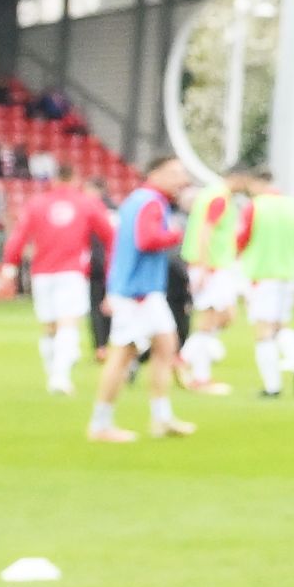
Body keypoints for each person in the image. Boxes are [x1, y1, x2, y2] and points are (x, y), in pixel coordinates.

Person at [89, 156, 199, 444]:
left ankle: (161, 417)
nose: (181, 179)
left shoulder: (139, 200)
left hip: (141, 290)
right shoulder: (150, 202)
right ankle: (100, 423)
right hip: (137, 293)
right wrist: (176, 234)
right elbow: (146, 240)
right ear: (156, 173)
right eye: (175, 172)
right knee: (122, 355)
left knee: (166, 346)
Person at [9, 160, 107, 398]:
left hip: (41, 273)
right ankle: (60, 377)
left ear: (53, 179)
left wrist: (10, 262)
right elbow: (109, 235)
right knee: (68, 323)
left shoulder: (37, 204)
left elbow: (19, 236)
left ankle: (53, 370)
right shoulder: (86, 203)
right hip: (72, 271)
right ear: (75, 179)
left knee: (50, 326)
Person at [241, 170, 294, 399]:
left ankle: (272, 386)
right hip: (288, 273)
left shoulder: (256, 206)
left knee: (263, 330)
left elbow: (242, 237)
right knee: (281, 325)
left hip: (262, 273)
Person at [181, 168, 249, 393]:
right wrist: (202, 266)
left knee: (225, 315)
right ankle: (196, 371)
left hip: (214, 264)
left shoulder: (211, 193)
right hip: (211, 265)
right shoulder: (219, 197)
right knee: (210, 318)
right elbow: (205, 230)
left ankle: (188, 357)